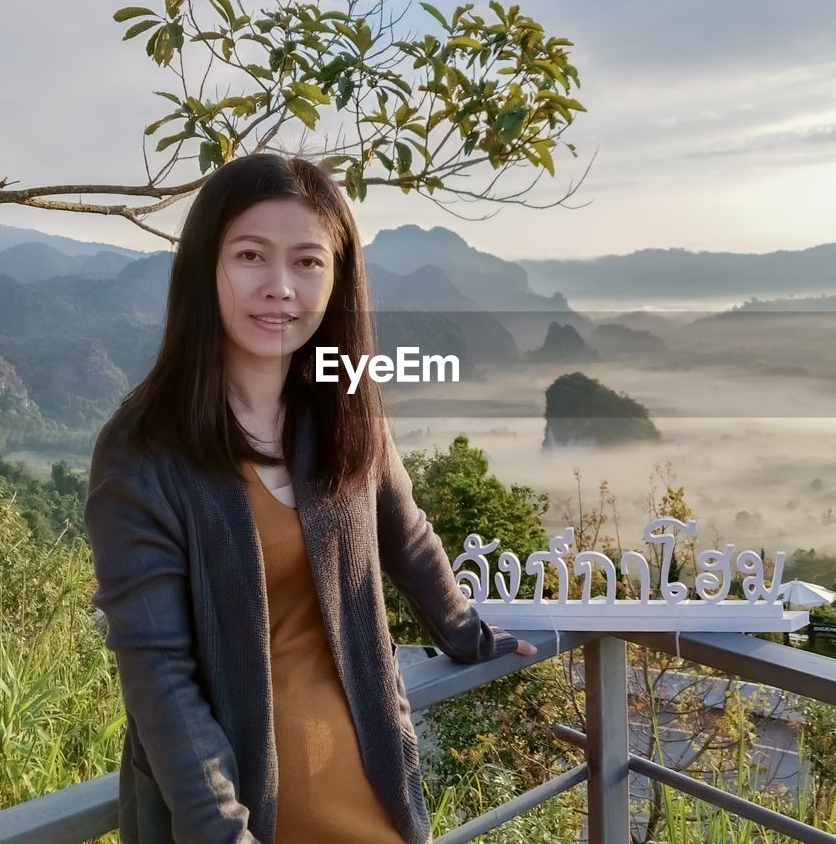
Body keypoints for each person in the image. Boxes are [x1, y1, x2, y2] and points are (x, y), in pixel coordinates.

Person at [84, 153, 537, 844]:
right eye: (250, 256)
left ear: (337, 278)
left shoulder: (344, 407)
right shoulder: (144, 452)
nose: (280, 288)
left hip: (370, 783)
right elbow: (160, 678)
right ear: (207, 268)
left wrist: (466, 632)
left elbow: (405, 535)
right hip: (242, 810)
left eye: (307, 262)